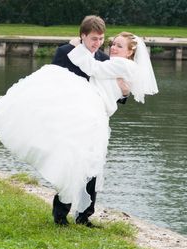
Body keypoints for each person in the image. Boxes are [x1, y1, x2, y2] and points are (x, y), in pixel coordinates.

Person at [0, 31, 158, 227]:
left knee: (89, 164)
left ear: (130, 51)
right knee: (79, 160)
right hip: (84, 115)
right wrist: (75, 48)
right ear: (84, 36)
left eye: (118, 45)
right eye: (111, 44)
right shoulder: (98, 58)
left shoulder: (117, 63)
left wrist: (78, 48)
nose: (111, 47)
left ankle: (80, 215)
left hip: (94, 117)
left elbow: (97, 71)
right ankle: (68, 214)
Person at [50, 15, 130, 226]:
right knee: (70, 164)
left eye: (101, 39)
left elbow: (116, 94)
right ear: (82, 36)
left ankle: (84, 216)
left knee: (93, 165)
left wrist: (124, 91)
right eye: (93, 39)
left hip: (95, 123)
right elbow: (52, 83)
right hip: (70, 118)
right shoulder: (64, 53)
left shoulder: (103, 60)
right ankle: (60, 214)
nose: (98, 44)